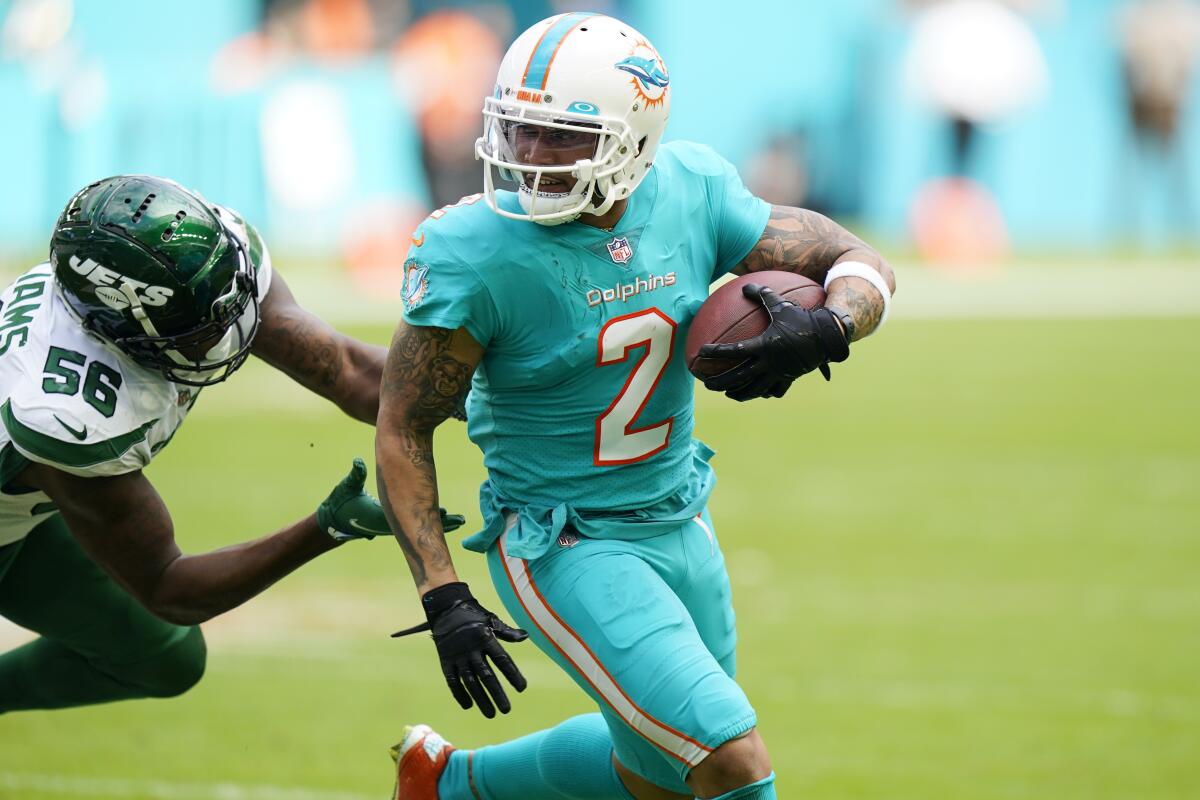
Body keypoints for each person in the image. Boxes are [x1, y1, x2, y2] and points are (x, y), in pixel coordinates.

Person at [376, 13, 894, 800]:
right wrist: (443, 593)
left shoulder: (692, 189)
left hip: (679, 513)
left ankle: (450, 786)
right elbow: (405, 424)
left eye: (561, 139)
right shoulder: (472, 251)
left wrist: (828, 325)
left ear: (635, 139)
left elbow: (857, 259)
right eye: (519, 131)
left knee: (660, 772)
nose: (531, 159)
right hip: (564, 539)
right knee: (728, 757)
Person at [0, 174, 462, 712]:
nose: (225, 329)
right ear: (115, 325)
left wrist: (491, 397)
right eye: (196, 327)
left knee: (162, 656)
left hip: (19, 516)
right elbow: (170, 586)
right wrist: (324, 527)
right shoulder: (64, 411)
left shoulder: (201, 266)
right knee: (163, 637)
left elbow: (349, 370)